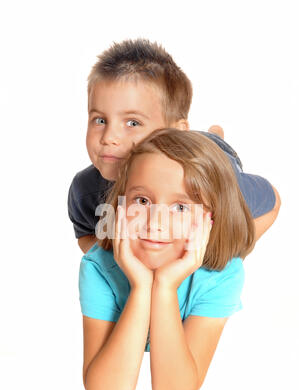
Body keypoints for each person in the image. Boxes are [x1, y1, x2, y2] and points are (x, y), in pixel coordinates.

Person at [79, 128, 256, 390]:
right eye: (142, 201)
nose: (155, 223)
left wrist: (165, 287)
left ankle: (215, 135)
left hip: (235, 177)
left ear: (210, 219)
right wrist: (140, 288)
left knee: (228, 163)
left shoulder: (223, 274)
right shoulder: (98, 267)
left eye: (180, 206)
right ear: (121, 205)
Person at [68, 39, 281, 254]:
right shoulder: (84, 190)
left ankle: (215, 134)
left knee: (214, 140)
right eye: (100, 120)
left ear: (176, 132)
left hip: (213, 153)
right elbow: (85, 234)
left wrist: (227, 258)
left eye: (132, 123)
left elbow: (273, 201)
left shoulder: (212, 182)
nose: (109, 137)